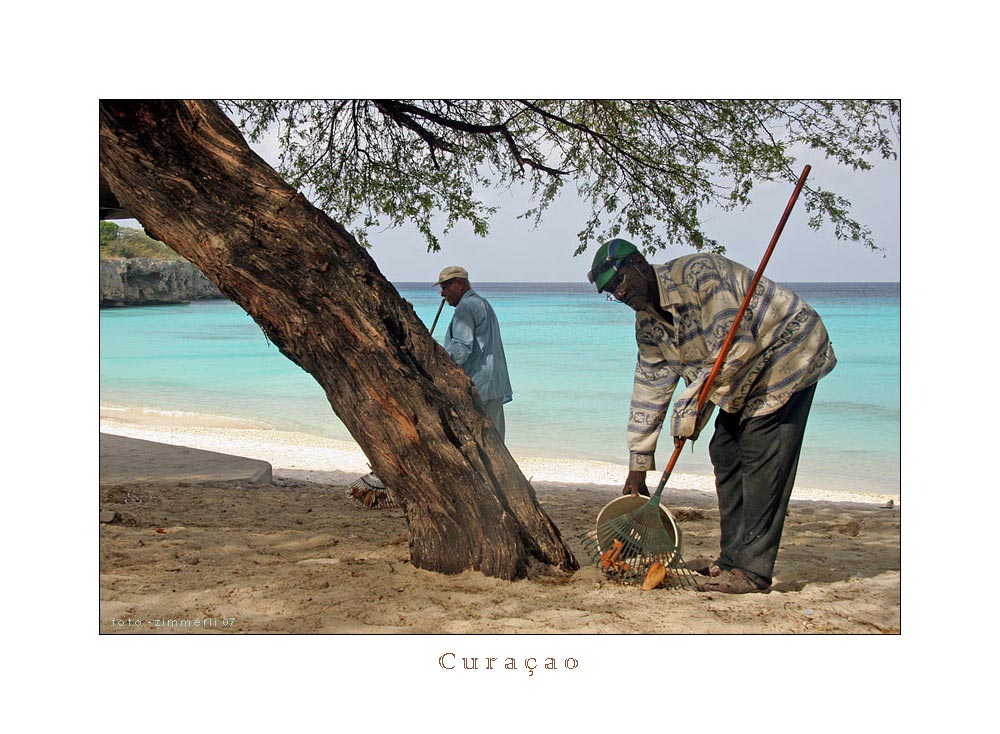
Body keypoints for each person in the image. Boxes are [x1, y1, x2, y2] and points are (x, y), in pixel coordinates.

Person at [587, 239, 836, 594]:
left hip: (786, 352)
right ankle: (732, 559)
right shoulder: (648, 325)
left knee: (761, 454)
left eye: (620, 282)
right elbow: (650, 385)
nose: (620, 293)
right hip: (742, 376)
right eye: (612, 291)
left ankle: (753, 571)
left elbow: (735, 346)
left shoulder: (700, 274)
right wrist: (638, 464)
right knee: (724, 451)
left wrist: (691, 410)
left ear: (639, 264)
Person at [434, 265, 513, 440]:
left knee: (475, 442)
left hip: (478, 386)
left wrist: (438, 365)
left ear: (459, 283)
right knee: (496, 444)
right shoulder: (483, 303)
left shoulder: (465, 308)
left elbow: (461, 349)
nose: (442, 293)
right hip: (494, 385)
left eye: (445, 287)